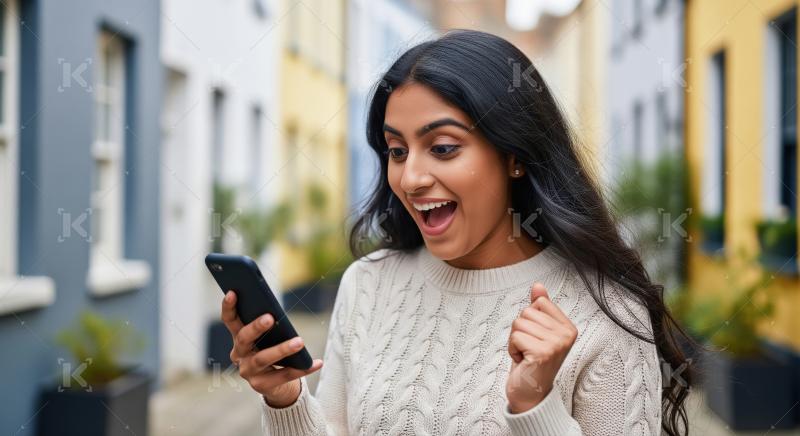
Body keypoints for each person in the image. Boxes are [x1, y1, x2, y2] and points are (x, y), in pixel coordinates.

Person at [221, 29, 692, 435]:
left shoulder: (603, 314)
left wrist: (534, 406)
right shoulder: (370, 283)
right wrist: (286, 400)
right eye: (397, 151)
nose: (410, 178)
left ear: (515, 157)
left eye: (443, 148)